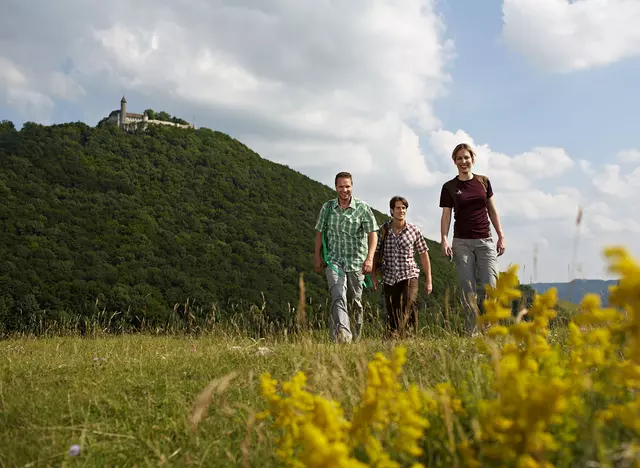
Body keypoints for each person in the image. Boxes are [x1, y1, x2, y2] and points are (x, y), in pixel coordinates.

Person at [439, 143, 506, 335]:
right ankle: (473, 332)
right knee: (468, 290)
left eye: (466, 157)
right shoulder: (449, 187)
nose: (463, 161)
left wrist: (501, 235)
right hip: (461, 243)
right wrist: (444, 239)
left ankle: (491, 330)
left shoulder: (483, 182)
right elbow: (446, 216)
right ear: (455, 162)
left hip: (486, 241)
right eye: (459, 158)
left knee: (491, 287)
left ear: (472, 159)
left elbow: (492, 210)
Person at [314, 171, 378, 343]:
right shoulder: (327, 208)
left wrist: (370, 258)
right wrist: (317, 257)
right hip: (334, 261)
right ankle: (342, 338)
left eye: (347, 186)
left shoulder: (362, 208)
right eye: (341, 186)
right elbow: (319, 233)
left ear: (352, 186)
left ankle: (355, 339)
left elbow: (373, 234)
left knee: (355, 302)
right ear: (336, 187)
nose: (344, 190)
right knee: (337, 296)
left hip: (357, 262)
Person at [371, 196, 433, 338]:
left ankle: (410, 337)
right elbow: (376, 253)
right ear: (391, 211)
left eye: (404, 208)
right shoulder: (383, 230)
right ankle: (392, 337)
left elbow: (424, 255)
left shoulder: (414, 230)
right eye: (398, 208)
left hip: (409, 274)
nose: (401, 211)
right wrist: (373, 276)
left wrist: (429, 280)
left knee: (409, 303)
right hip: (389, 277)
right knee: (393, 309)